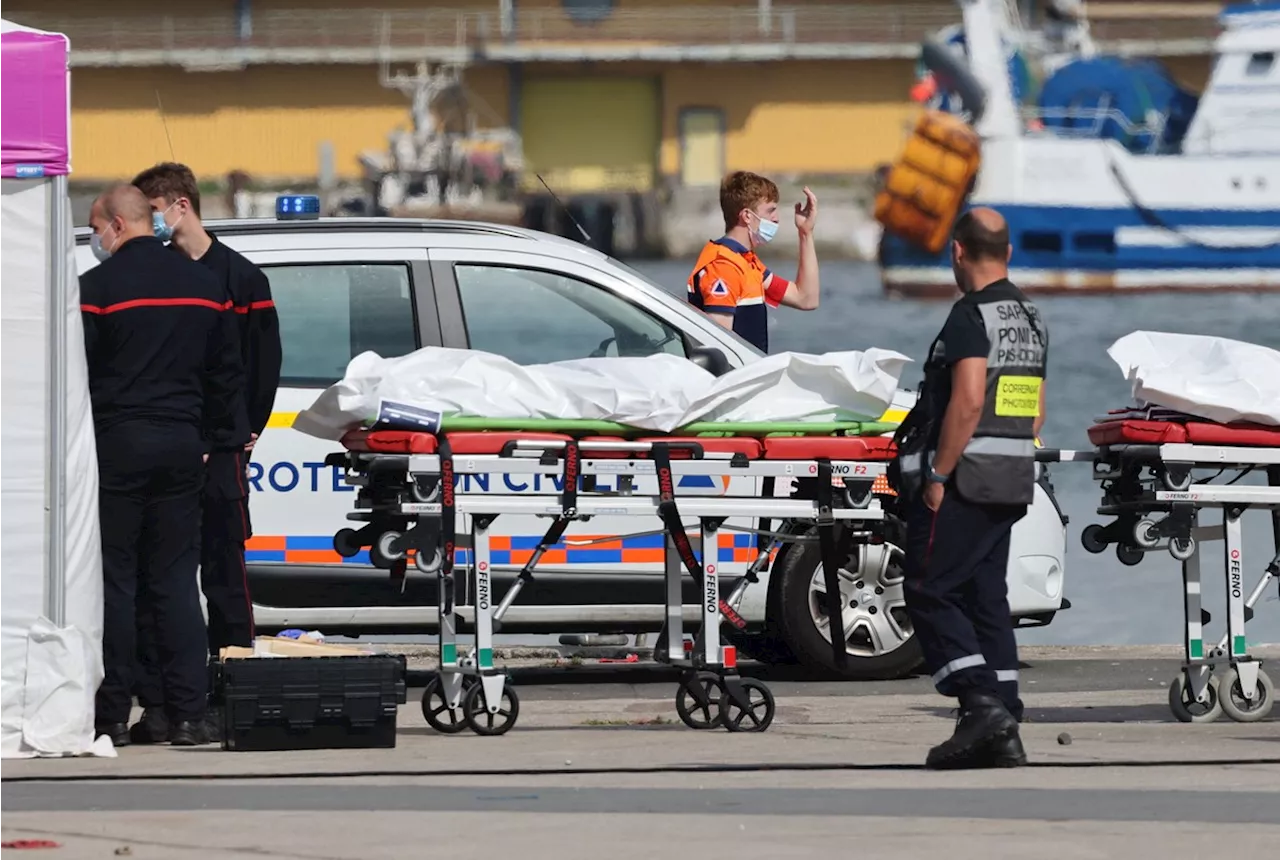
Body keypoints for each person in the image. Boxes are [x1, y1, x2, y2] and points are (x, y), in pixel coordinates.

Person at [81, 184, 248, 747]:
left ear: (116, 225)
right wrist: (216, 440)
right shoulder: (206, 287)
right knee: (176, 581)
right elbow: (227, 375)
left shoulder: (94, 290)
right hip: (182, 448)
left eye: (94, 228)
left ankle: (109, 717)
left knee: (116, 583)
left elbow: (75, 378)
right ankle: (185, 714)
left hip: (116, 449)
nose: (94, 239)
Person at [129, 162, 282, 743]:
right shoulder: (160, 276)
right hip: (171, 448)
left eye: (155, 212)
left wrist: (244, 432)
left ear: (178, 206)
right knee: (161, 578)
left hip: (219, 453)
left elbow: (262, 365)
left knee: (223, 574)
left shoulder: (241, 279)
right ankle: (167, 699)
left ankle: (232, 690)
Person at [894, 207, 1048, 770]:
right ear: (1007, 253)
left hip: (965, 477)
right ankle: (1002, 720)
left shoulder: (970, 315)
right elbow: (1033, 412)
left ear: (957, 250)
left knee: (929, 588)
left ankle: (980, 704)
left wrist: (938, 474)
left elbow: (969, 399)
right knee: (986, 597)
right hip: (1010, 477)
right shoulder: (1030, 317)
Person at [686, 171, 820, 354]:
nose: (777, 218)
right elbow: (717, 349)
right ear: (747, 216)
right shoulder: (724, 267)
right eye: (771, 210)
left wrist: (806, 232)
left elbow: (805, 298)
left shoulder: (747, 262)